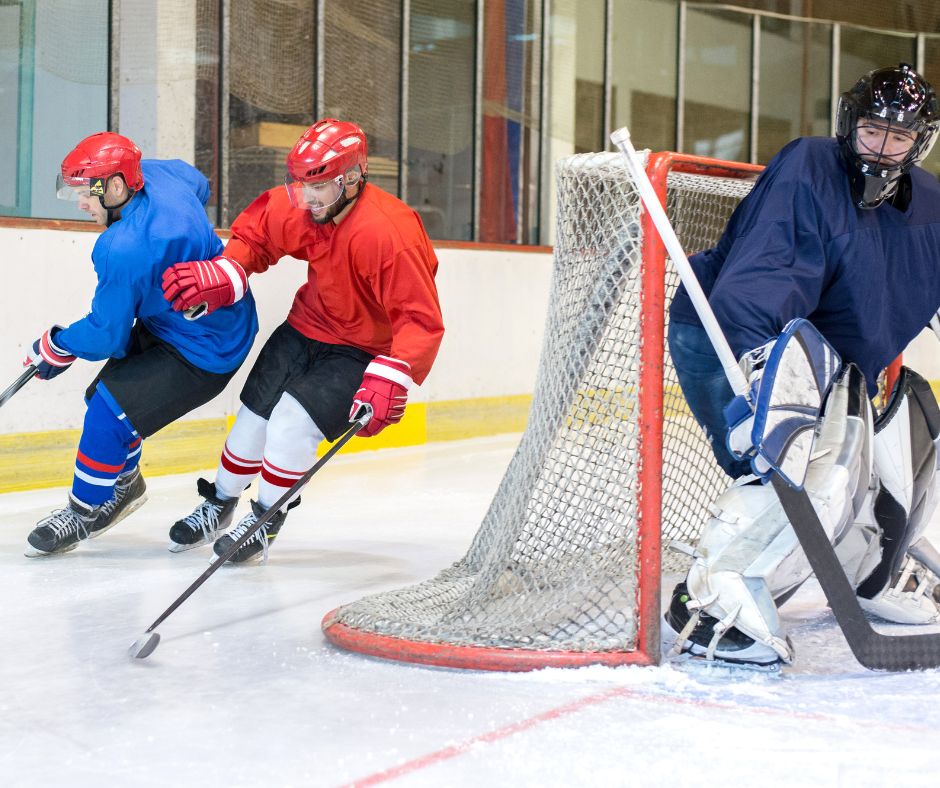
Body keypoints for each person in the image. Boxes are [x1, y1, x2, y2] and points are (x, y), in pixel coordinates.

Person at [663, 63, 940, 667]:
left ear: (920, 141)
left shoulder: (928, 203)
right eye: (872, 130)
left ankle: (870, 571)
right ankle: (711, 597)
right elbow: (764, 274)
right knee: (796, 458)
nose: (882, 148)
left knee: (907, 436)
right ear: (849, 123)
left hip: (823, 358)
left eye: (898, 136)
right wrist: (763, 372)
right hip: (732, 336)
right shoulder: (810, 166)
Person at [161, 118, 444, 564]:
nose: (308, 198)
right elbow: (257, 235)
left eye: (320, 187)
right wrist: (229, 270)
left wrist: (396, 372)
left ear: (352, 179)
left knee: (292, 423)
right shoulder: (308, 207)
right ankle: (220, 502)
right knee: (252, 421)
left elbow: (419, 317)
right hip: (305, 327)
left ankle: (265, 518)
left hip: (363, 351)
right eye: (302, 185)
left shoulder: (390, 233)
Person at [24, 132, 258, 557]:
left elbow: (107, 334)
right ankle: (126, 484)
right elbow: (198, 183)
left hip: (205, 349)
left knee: (108, 414)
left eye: (87, 192)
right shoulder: (159, 175)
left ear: (116, 186)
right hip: (202, 319)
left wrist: (57, 344)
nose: (81, 203)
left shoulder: (123, 248)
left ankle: (83, 511)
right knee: (101, 397)